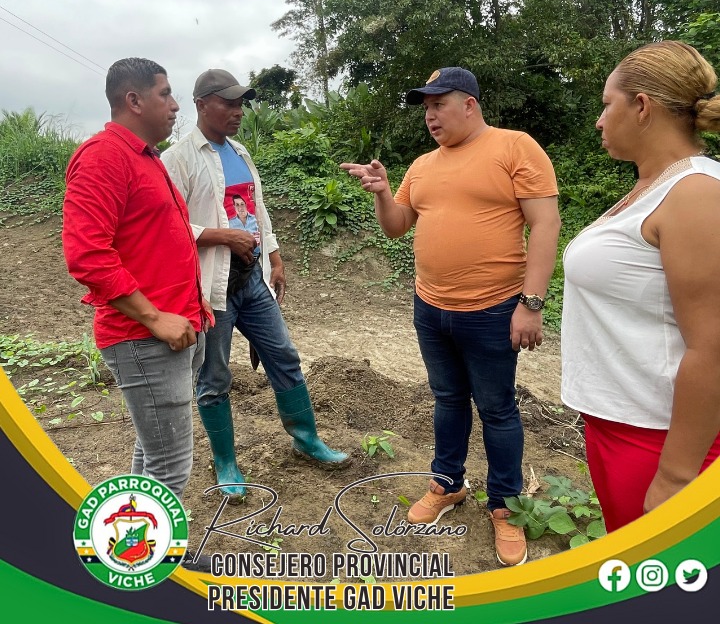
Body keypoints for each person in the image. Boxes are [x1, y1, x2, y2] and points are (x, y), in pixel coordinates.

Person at [341, 67, 560, 566]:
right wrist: (383, 192)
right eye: (426, 107)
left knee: (497, 409)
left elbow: (545, 224)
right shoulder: (422, 166)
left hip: (494, 309)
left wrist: (531, 304)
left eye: (439, 104)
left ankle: (505, 505)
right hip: (431, 307)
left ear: (470, 104)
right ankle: (447, 483)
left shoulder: (514, 147)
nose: (431, 115)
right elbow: (397, 227)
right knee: (447, 399)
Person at [162, 69, 349, 502]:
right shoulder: (178, 159)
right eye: (228, 103)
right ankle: (225, 462)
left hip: (252, 279)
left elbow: (257, 211)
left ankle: (306, 439)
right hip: (213, 287)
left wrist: (275, 258)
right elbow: (168, 226)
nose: (238, 112)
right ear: (201, 104)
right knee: (214, 375)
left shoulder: (240, 152)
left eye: (240, 104)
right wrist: (222, 237)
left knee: (284, 355)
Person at [561, 41, 720, 533]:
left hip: (660, 438)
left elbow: (713, 344)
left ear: (642, 106)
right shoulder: (655, 186)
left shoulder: (696, 194)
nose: (599, 121)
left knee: (664, 573)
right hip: (621, 423)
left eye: (607, 104)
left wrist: (675, 476)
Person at [62, 57, 212, 571]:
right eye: (165, 94)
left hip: (177, 330)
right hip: (143, 338)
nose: (175, 105)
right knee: (171, 464)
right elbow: (87, 255)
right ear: (134, 100)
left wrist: (193, 308)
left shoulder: (147, 158)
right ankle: (147, 570)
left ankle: (127, 551)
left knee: (153, 454)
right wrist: (154, 318)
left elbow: (157, 243)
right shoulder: (103, 157)